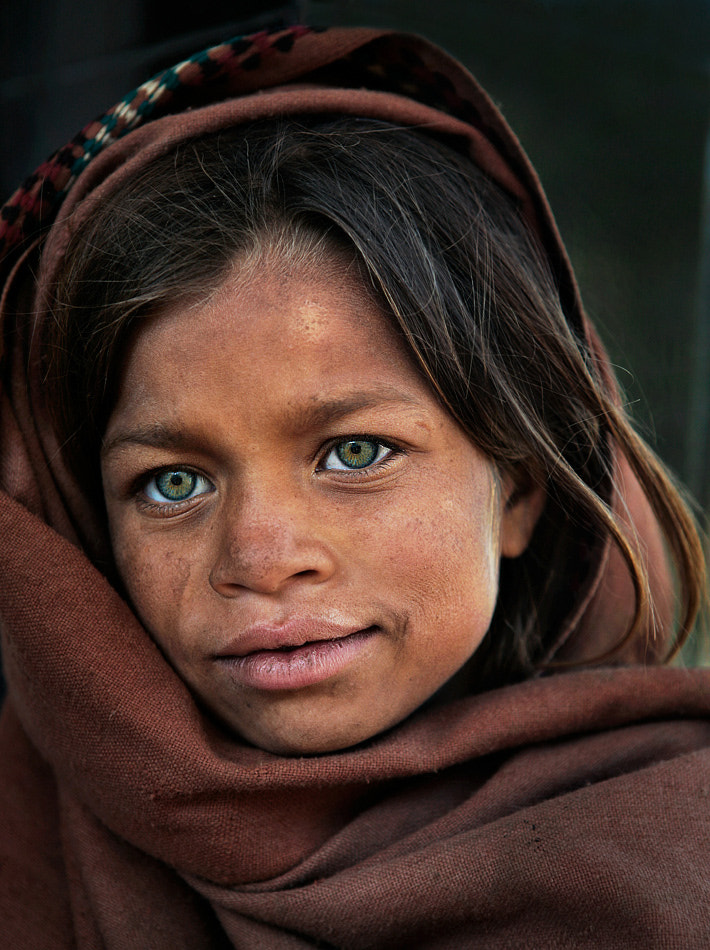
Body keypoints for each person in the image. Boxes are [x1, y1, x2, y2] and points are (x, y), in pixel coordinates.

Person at [0, 23, 708, 949]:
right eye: (173, 481)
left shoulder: (676, 855)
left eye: (355, 454)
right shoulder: (28, 829)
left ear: (522, 489)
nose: (262, 558)